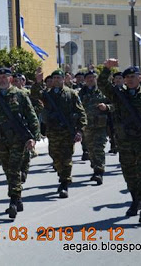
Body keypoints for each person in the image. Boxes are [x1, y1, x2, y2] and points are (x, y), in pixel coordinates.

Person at [97, 60, 141, 226]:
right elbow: (102, 84)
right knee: (129, 176)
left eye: (133, 76)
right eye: (127, 77)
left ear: (139, 78)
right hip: (125, 143)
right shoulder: (119, 95)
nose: (129, 80)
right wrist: (107, 68)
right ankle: (136, 201)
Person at [0, 56, 39, 219]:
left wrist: (33, 137)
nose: (2, 80)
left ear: (11, 79)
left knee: (13, 169)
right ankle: (17, 198)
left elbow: (31, 116)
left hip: (18, 138)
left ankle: (13, 200)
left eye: (5, 77)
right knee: (7, 169)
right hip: (1, 138)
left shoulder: (20, 94)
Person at [30, 68, 86, 199]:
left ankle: (64, 183)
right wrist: (38, 82)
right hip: (53, 131)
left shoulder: (71, 94)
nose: (56, 80)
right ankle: (62, 175)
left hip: (67, 132)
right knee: (55, 156)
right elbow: (34, 95)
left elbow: (81, 112)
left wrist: (80, 131)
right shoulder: (47, 94)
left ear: (63, 79)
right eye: (54, 78)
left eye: (58, 78)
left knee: (66, 158)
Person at [78, 70, 112, 185]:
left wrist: (107, 107)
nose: (90, 79)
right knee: (90, 149)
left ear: (96, 79)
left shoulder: (103, 92)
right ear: (85, 80)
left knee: (98, 148)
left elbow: (115, 104)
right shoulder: (81, 93)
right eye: (88, 78)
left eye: (92, 77)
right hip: (87, 126)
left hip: (100, 126)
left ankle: (99, 172)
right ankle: (95, 166)